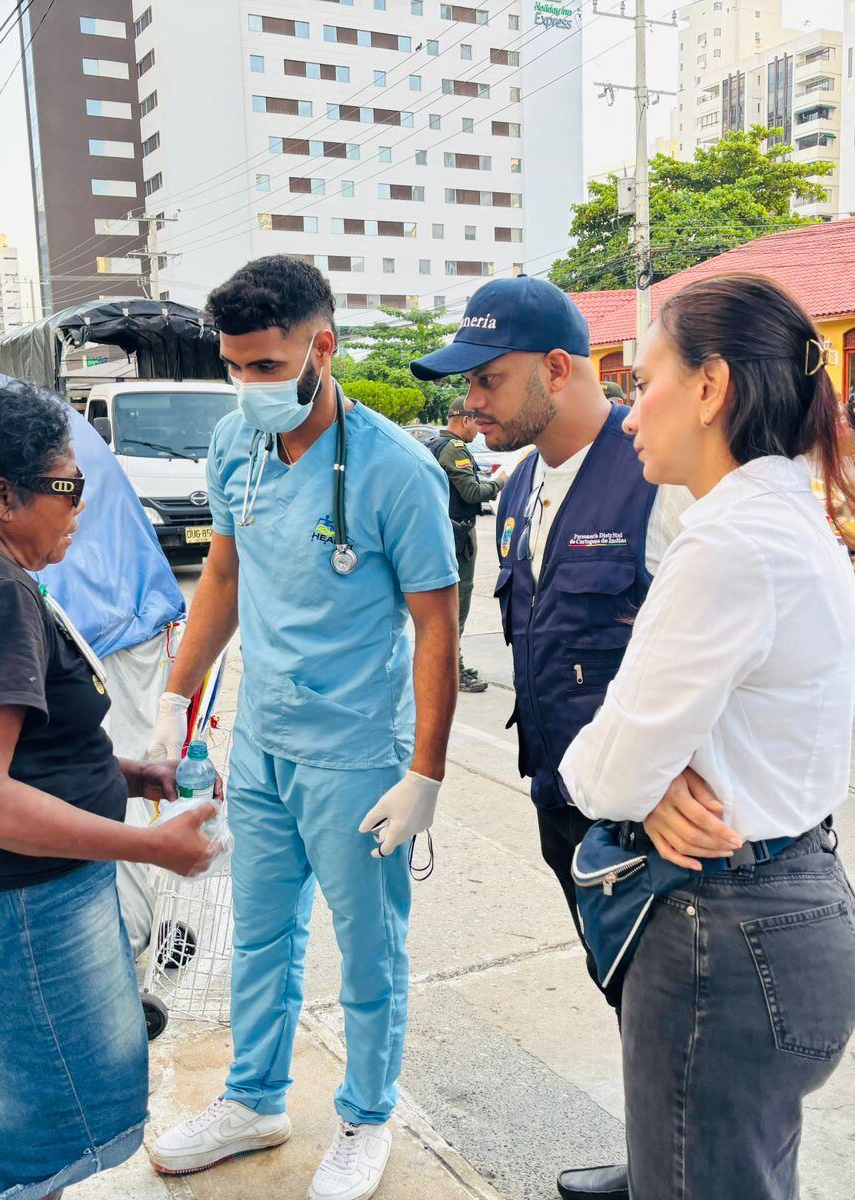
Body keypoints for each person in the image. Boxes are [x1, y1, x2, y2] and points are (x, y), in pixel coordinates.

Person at [145, 256, 459, 1200]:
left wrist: (427, 773)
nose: (249, 386)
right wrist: (176, 695)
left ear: (323, 347)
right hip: (263, 738)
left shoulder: (395, 471)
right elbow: (227, 579)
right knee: (259, 937)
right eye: (234, 367)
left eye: (267, 366)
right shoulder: (233, 448)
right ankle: (255, 1100)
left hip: (360, 754)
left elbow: (437, 625)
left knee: (368, 949)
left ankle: (367, 1114)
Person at [0, 384, 219, 1200]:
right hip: (1, 914)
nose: (79, 506)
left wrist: (128, 775)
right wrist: (148, 843)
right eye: (69, 486)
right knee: (22, 1142)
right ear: (1, 496)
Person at [559, 273, 855, 1200]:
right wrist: (650, 780)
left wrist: (638, 781)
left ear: (710, 387)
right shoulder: (783, 514)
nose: (625, 414)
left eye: (641, 380)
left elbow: (603, 775)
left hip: (728, 934)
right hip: (788, 904)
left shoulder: (728, 542)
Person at [410, 275, 691, 1200]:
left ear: (559, 368)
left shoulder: (661, 479)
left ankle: (688, 1168)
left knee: (678, 1017)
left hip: (655, 817)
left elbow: (717, 654)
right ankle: (657, 1157)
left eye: (487, 380)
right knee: (621, 994)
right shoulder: (524, 480)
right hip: (563, 800)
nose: (470, 402)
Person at [426, 405, 506, 694]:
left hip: (442, 532)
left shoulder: (434, 444)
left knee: (445, 604)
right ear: (465, 420)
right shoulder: (454, 449)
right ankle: (453, 670)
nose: (479, 429)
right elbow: (472, 492)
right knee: (456, 604)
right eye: (477, 423)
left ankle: (448, 665)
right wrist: (500, 482)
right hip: (457, 536)